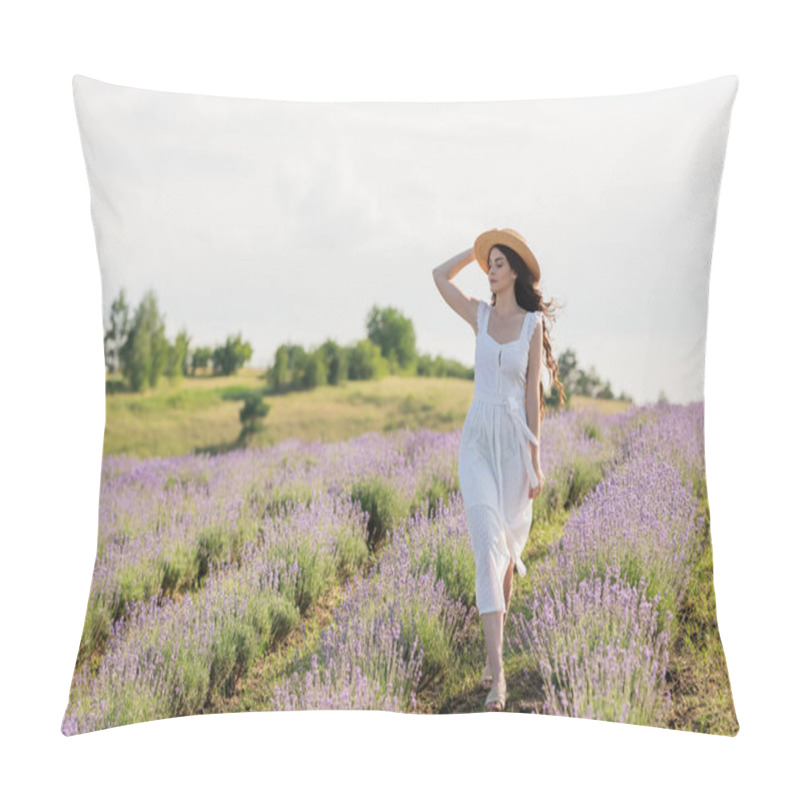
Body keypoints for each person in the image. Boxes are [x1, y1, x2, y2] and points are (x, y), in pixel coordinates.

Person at [432, 228, 566, 711]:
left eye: (497, 262)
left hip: (513, 444)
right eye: (488, 262)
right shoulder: (479, 314)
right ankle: (498, 677)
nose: (491, 268)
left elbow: (532, 396)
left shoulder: (531, 325)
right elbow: (437, 277)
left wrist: (535, 460)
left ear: (515, 272)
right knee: (487, 540)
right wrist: (472, 255)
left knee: (506, 551)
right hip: (477, 441)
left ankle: (493, 654)